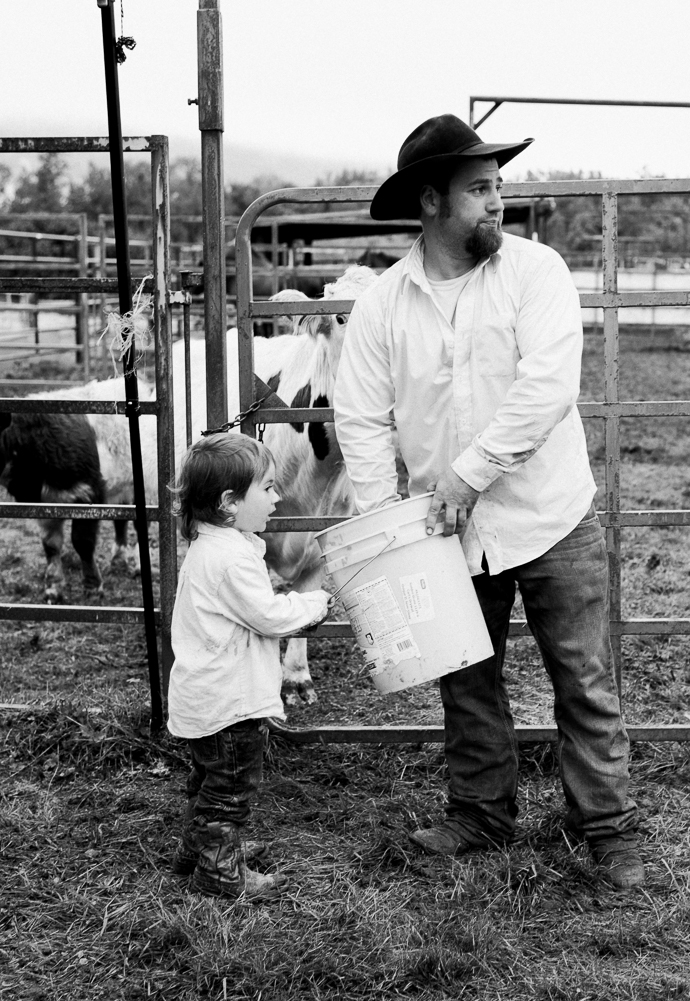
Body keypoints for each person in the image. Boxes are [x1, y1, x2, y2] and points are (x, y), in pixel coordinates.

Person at [332, 114, 644, 889]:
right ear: (431, 202)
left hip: (548, 513)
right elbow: (362, 419)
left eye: (498, 185)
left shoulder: (536, 273)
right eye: (479, 189)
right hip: (441, 531)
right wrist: (387, 529)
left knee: (582, 673)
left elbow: (545, 391)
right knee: (467, 676)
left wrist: (466, 478)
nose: (497, 201)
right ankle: (480, 813)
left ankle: (605, 826)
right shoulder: (381, 306)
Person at [166, 433, 330, 900]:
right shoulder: (231, 558)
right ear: (229, 503)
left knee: (207, 782)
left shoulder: (215, 545)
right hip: (229, 704)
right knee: (231, 790)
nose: (278, 497)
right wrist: (314, 603)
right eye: (269, 488)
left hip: (207, 697)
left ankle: (200, 850)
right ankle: (219, 873)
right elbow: (269, 616)